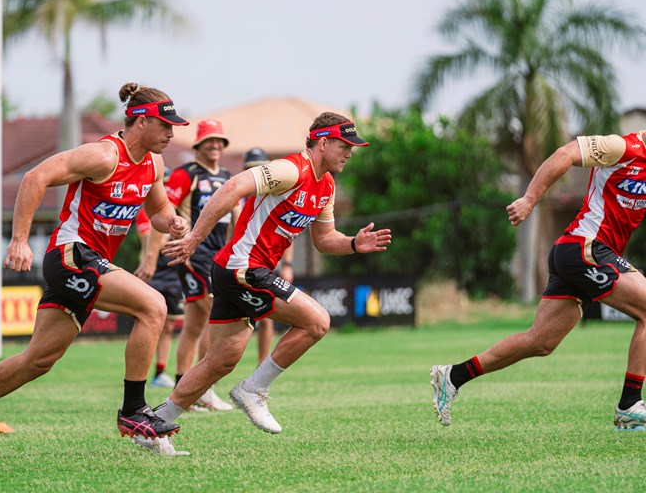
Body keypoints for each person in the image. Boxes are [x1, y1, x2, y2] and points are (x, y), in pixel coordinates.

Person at [0, 82, 190, 465]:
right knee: (153, 306)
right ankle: (133, 410)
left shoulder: (154, 164)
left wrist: (175, 224)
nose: (171, 133)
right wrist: (18, 240)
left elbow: (160, 211)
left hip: (90, 264)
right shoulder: (102, 155)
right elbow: (35, 177)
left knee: (37, 360)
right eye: (165, 125)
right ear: (141, 121)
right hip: (70, 254)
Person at [133, 112, 392, 455]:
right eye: (345, 145)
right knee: (317, 321)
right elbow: (232, 186)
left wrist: (354, 244)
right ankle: (253, 390)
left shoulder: (326, 185)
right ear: (324, 142)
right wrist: (195, 238)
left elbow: (325, 239)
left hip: (237, 271)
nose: (350, 152)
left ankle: (153, 427)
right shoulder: (290, 169)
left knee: (220, 362)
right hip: (244, 268)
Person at [431, 132, 646, 430]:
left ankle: (453, 376)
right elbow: (565, 153)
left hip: (577, 253)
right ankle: (630, 405)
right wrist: (530, 200)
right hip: (584, 247)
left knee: (540, 342)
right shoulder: (624, 147)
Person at [164, 119, 236, 411]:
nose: (215, 145)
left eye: (219, 140)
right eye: (210, 140)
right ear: (198, 144)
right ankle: (202, 388)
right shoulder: (185, 174)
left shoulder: (229, 176)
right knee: (215, 316)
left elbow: (237, 213)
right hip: (195, 253)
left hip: (219, 254)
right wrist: (176, 231)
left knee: (194, 324)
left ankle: (186, 386)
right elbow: (166, 206)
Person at [242, 148, 296, 365]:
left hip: (264, 268)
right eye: (250, 168)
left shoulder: (274, 198)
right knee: (239, 322)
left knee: (266, 317)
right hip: (237, 267)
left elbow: (288, 232)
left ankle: (261, 368)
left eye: (260, 167)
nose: (255, 171)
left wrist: (288, 265)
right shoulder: (237, 199)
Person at [133, 192, 184, 389]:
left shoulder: (177, 213)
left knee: (170, 325)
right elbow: (149, 240)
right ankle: (140, 375)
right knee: (147, 323)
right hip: (150, 273)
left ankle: (160, 372)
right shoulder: (146, 213)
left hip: (172, 273)